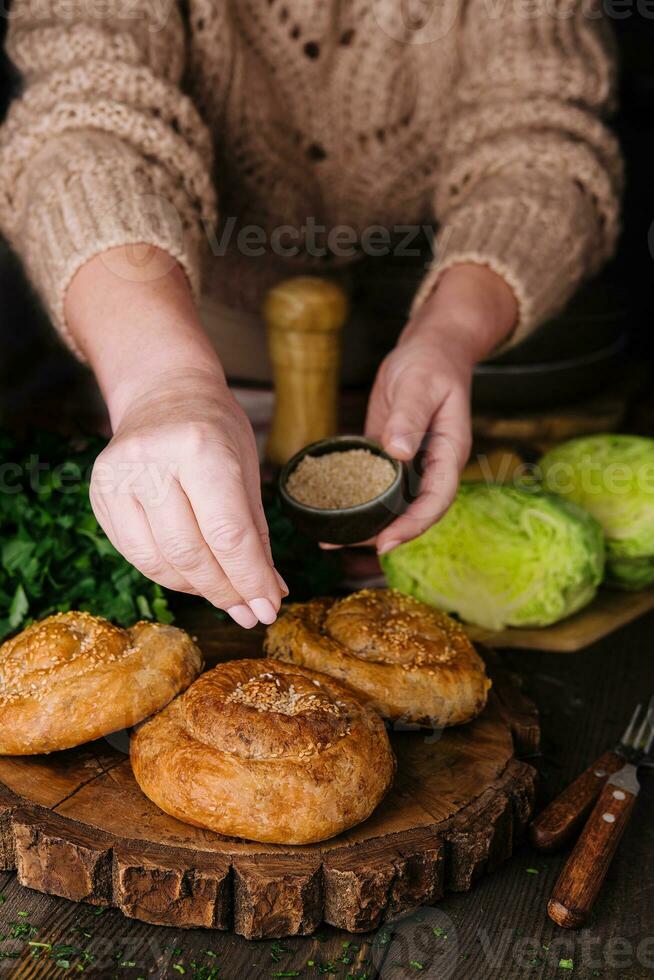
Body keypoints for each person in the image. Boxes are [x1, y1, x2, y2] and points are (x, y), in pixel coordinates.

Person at [0, 1, 621, 628]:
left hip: (437, 314)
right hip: (178, 325)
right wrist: (163, 385)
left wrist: (452, 331)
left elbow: (541, 143)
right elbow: (85, 120)